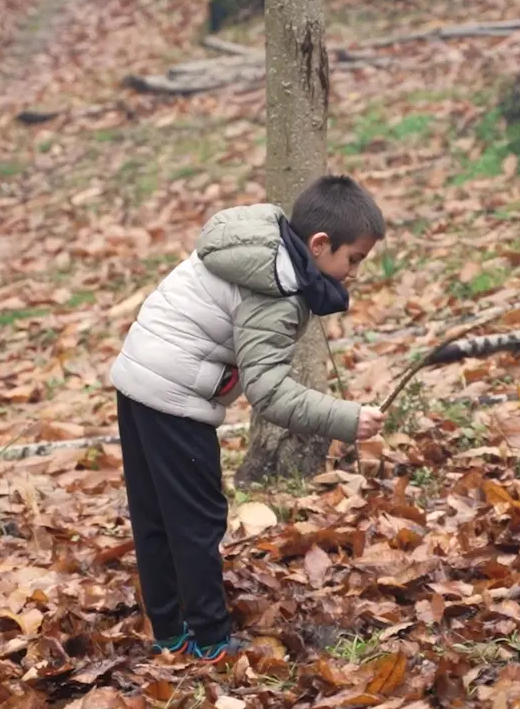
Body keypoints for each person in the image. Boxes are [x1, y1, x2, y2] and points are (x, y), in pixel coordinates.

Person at [107, 174, 388, 664]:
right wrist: (348, 418)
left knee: (156, 514)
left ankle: (171, 632)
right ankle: (212, 641)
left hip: (138, 373)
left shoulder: (258, 239)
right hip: (172, 392)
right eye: (353, 260)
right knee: (198, 518)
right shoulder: (275, 288)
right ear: (319, 245)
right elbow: (270, 392)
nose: (355, 273)